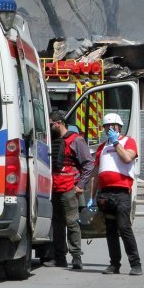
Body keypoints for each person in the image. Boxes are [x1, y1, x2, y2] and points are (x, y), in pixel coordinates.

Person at [92, 113, 142, 276]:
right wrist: (93, 197)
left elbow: (127, 158)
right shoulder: (101, 148)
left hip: (121, 193)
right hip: (105, 194)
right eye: (107, 126)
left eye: (113, 126)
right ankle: (114, 264)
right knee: (110, 230)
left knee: (124, 227)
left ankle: (135, 264)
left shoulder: (128, 141)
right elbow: (95, 173)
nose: (110, 128)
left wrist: (116, 142)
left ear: (120, 127)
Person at [47, 110, 94, 270]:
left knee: (72, 222)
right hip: (53, 187)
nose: (49, 126)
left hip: (69, 187)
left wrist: (81, 185)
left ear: (58, 123)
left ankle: (76, 257)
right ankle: (59, 257)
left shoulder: (76, 140)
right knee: (57, 224)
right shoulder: (51, 140)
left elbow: (88, 163)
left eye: (51, 123)